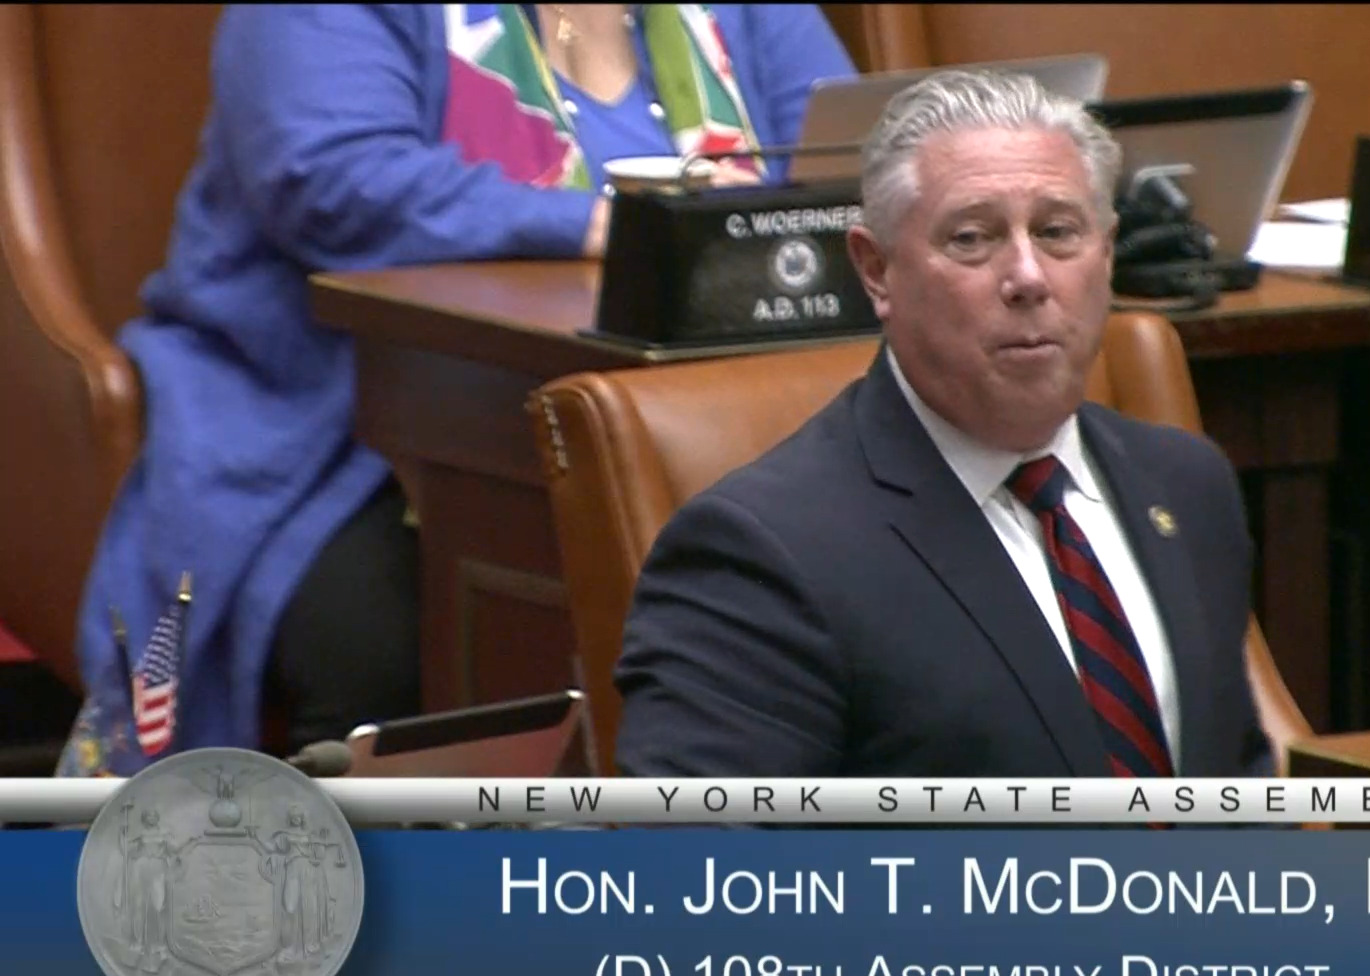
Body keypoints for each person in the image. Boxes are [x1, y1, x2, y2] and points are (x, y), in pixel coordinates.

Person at [63, 4, 855, 771]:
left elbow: (853, 165)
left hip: (730, 420)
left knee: (845, 593)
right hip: (342, 431)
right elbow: (332, 180)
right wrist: (598, 226)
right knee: (381, 644)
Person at [614, 69, 1274, 779]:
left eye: (1058, 233)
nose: (1029, 277)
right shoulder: (759, 556)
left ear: (1107, 253)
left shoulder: (1185, 484)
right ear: (876, 270)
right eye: (972, 238)